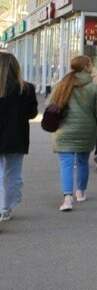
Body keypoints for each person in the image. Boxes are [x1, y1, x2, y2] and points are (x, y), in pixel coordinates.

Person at [49, 56, 97, 212]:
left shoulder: (62, 84)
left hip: (64, 131)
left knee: (66, 164)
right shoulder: (94, 88)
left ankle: (67, 198)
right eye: (90, 65)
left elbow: (50, 104)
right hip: (86, 131)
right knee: (82, 162)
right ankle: (81, 192)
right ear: (85, 67)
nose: (92, 67)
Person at [0, 53, 38, 222]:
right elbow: (32, 113)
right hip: (16, 136)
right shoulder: (26, 88)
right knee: (14, 173)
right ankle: (6, 207)